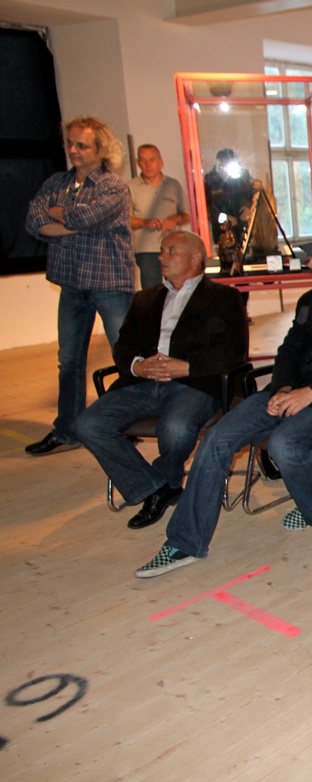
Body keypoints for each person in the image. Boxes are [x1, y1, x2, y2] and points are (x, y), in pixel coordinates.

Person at [133, 228, 312, 579]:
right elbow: (290, 349)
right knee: (217, 438)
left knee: (283, 444)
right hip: (290, 391)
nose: (309, 264)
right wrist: (282, 386)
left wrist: (310, 393)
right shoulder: (310, 301)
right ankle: (184, 541)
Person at [74, 232, 247, 529]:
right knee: (87, 425)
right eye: (161, 250)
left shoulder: (224, 297)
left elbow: (234, 351)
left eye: (170, 251)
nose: (161, 257)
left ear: (195, 258)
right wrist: (137, 366)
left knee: (176, 430)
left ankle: (160, 485)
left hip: (193, 383)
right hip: (142, 383)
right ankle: (157, 488)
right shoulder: (145, 298)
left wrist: (187, 367)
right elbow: (123, 346)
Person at [25, 115, 135, 457]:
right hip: (72, 285)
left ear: (101, 150)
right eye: (70, 143)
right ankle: (67, 431)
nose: (73, 150)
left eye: (82, 145)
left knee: (126, 358)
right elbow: (33, 221)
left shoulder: (114, 186)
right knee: (69, 361)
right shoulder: (55, 183)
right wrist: (73, 220)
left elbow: (85, 218)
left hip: (109, 283)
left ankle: (129, 424)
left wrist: (59, 215)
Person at [128, 144, 191, 288]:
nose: (148, 164)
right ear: (138, 163)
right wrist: (145, 223)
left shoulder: (173, 185)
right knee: (153, 292)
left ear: (160, 162)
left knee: (178, 288)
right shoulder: (130, 187)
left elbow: (187, 215)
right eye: (143, 160)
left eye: (152, 160)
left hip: (173, 247)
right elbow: (125, 219)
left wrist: (175, 219)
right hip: (146, 250)